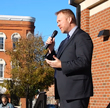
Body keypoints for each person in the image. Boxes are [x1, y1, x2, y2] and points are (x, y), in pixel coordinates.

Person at [45, 9, 93, 108]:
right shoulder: (64, 42)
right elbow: (57, 62)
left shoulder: (82, 37)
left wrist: (61, 64)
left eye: (59, 21)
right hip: (64, 94)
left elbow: (84, 61)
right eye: (57, 22)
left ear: (70, 19)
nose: (58, 24)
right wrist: (51, 50)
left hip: (76, 94)